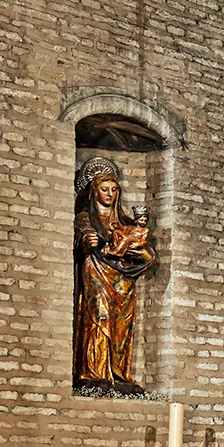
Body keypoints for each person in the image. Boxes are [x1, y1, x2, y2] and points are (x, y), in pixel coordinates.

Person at [73, 157, 156, 392]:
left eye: (113, 189)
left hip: (123, 281)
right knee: (98, 316)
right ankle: (93, 372)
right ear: (94, 191)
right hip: (96, 272)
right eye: (104, 189)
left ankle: (117, 373)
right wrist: (87, 240)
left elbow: (148, 256)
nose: (109, 194)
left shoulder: (127, 222)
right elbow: (83, 238)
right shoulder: (85, 218)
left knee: (121, 324)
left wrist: (143, 255)